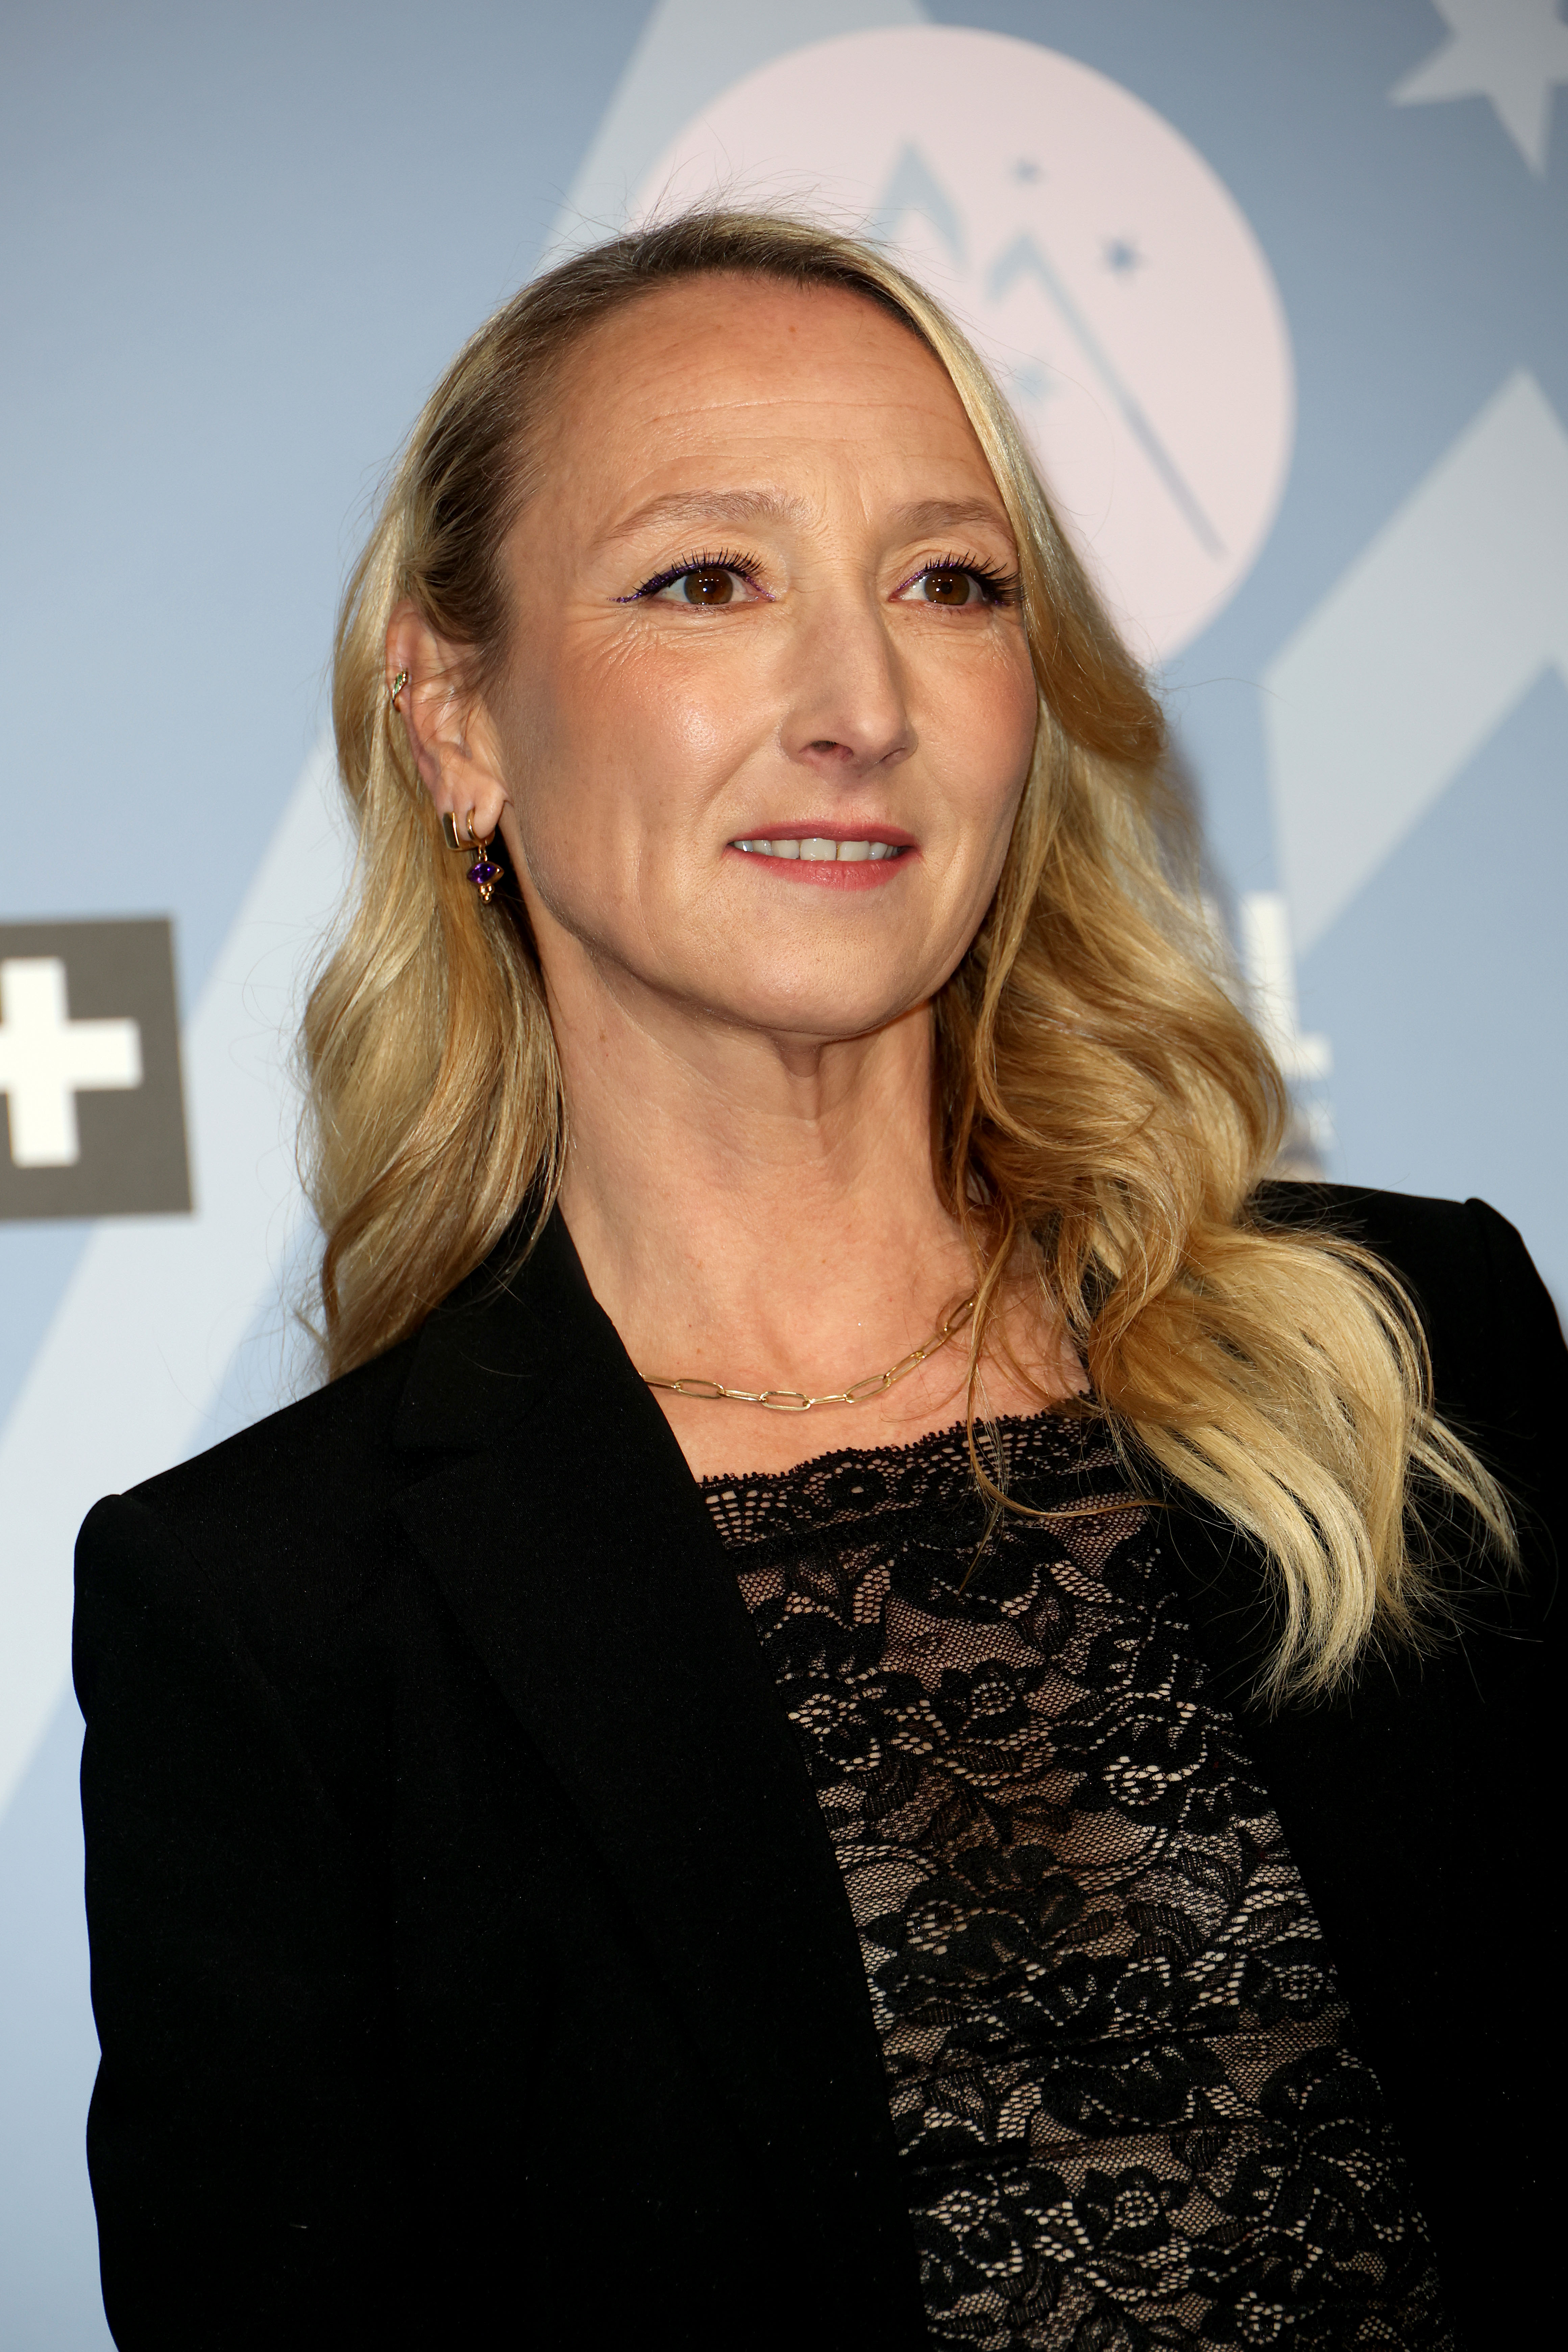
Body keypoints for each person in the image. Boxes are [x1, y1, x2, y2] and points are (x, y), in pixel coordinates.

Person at [74, 210, 1559, 2352]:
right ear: (457, 716)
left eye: (952, 585)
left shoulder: (1416, 1352)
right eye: (709, 580)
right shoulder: (278, 1621)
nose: (861, 707)